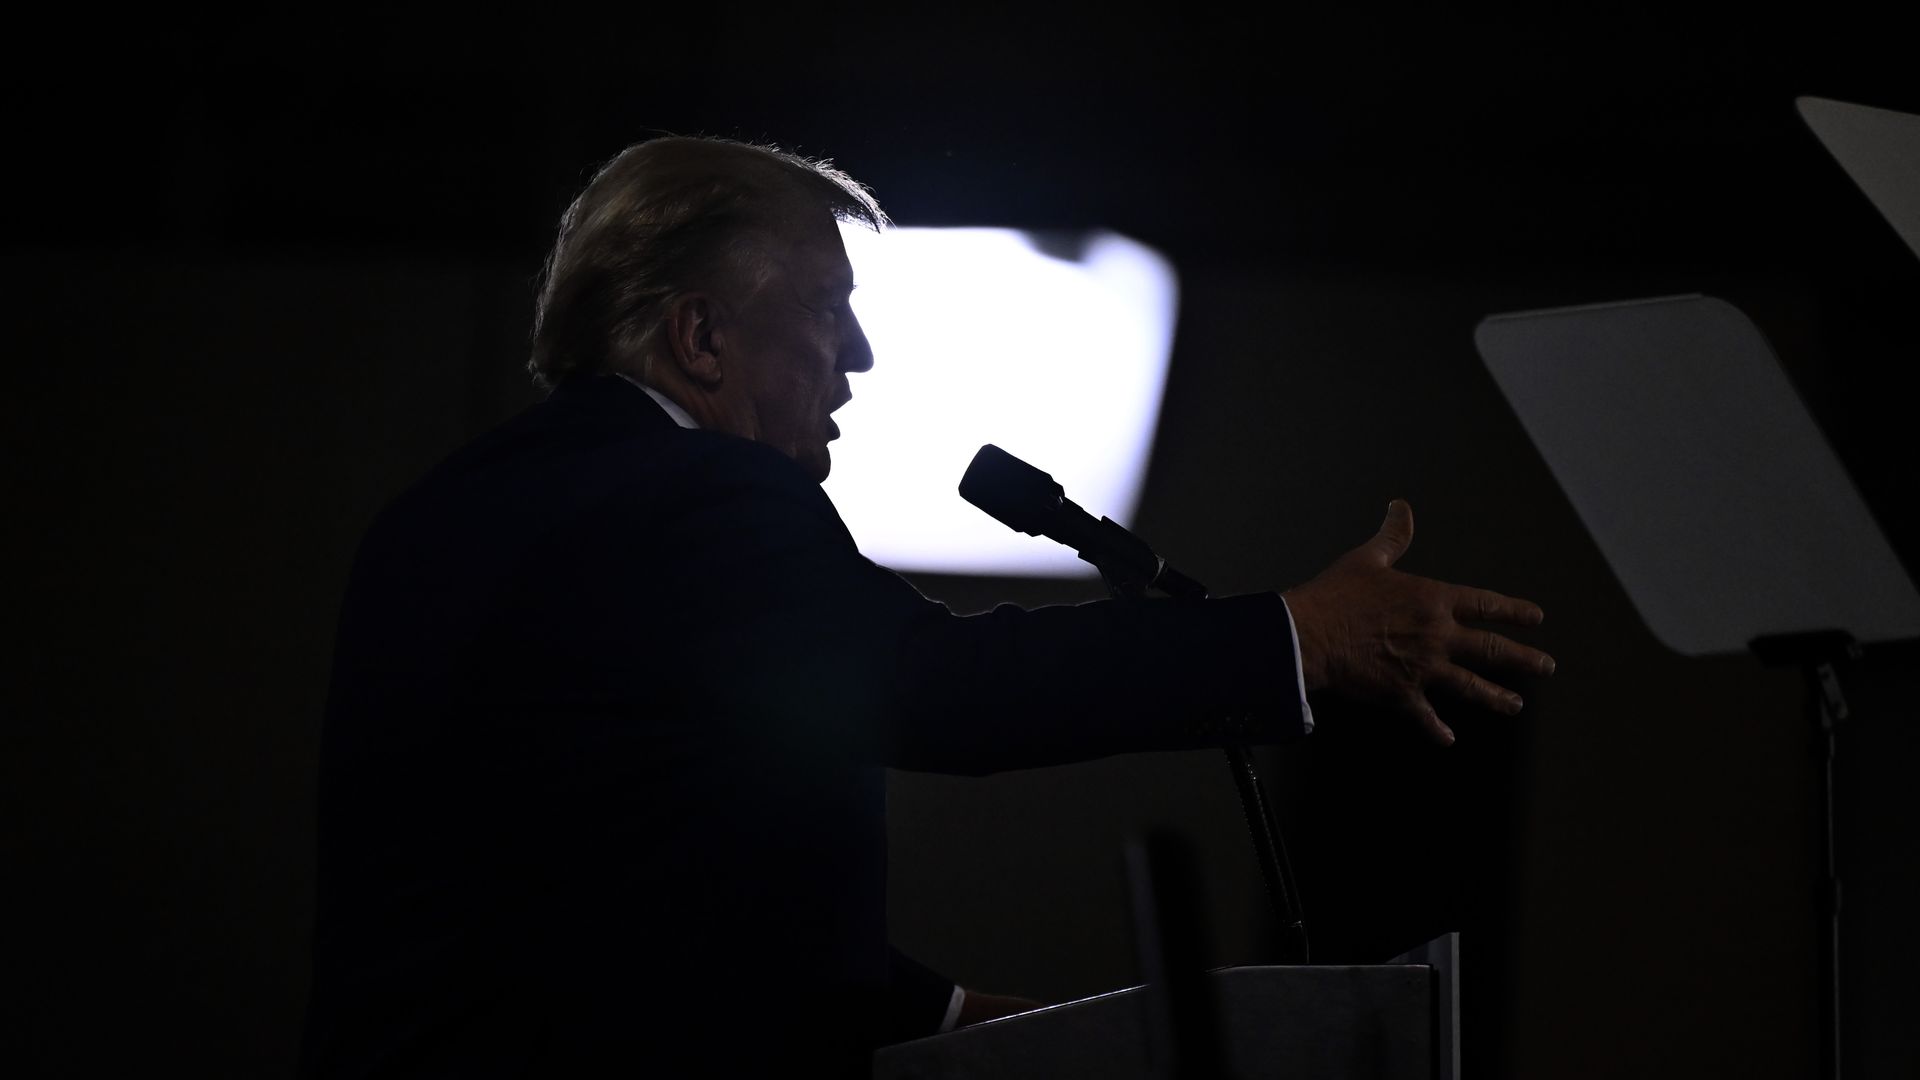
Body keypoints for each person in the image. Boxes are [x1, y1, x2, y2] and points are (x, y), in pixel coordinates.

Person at [300, 136, 1553, 1077]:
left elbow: (618, 887)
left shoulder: (444, 516)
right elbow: (937, 690)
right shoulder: (697, 495)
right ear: (700, 337)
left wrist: (946, 1021)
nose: (858, 358)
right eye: (830, 311)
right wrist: (1299, 636)